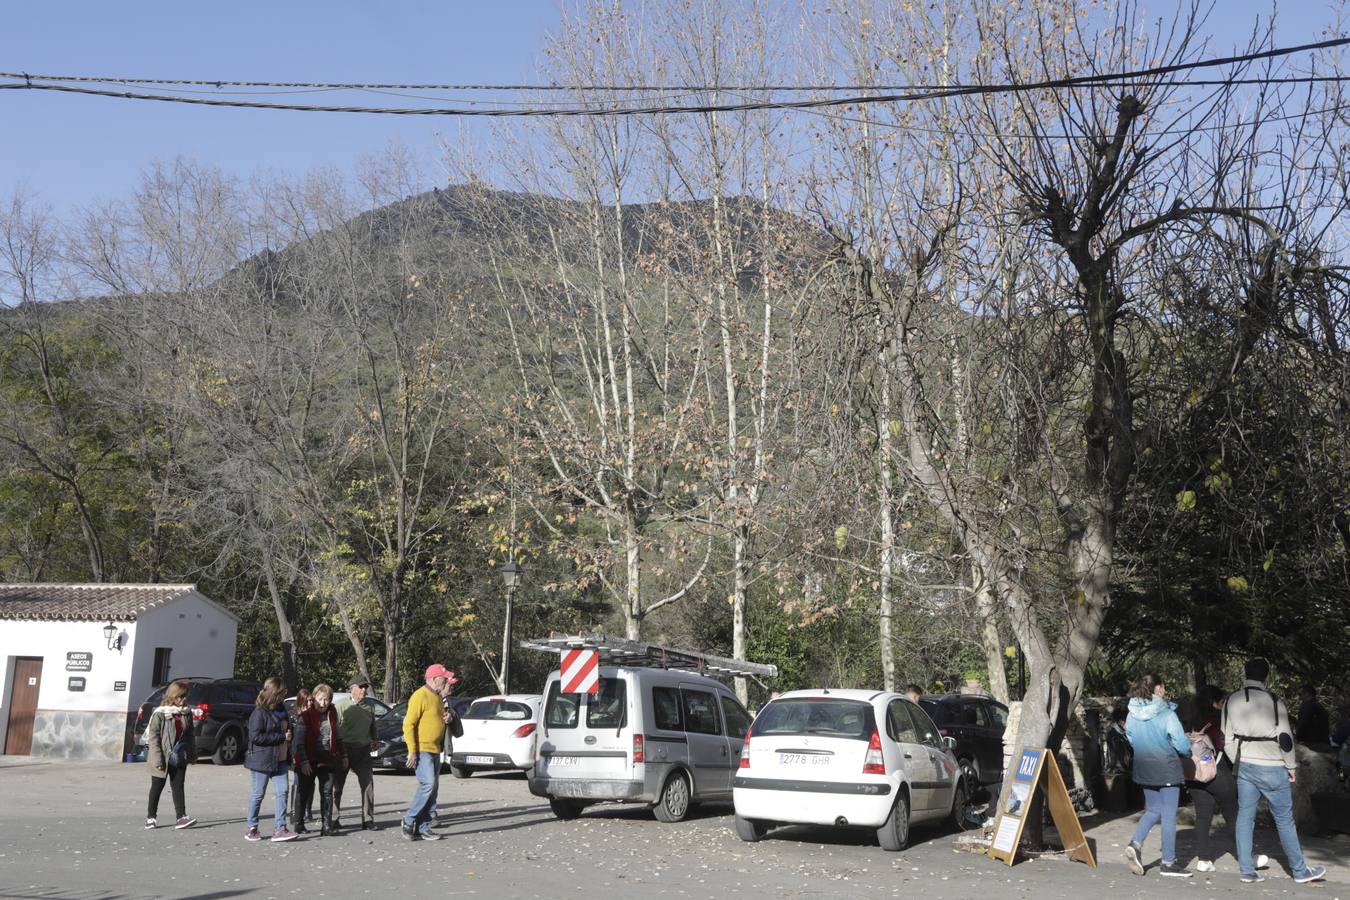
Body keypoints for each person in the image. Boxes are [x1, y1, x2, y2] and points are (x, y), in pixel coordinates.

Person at [1223, 659, 1326, 884]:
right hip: (1272, 765)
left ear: (1245, 674)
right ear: (1266, 677)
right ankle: (1299, 871)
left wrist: (1237, 760)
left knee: (1245, 817)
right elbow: (1286, 739)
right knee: (1284, 819)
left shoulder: (1231, 699)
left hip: (1245, 765)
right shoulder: (1274, 700)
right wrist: (1290, 766)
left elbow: (1227, 739)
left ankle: (1247, 871)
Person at [1186, 685, 1268, 873]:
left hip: (1195, 774)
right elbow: (1226, 745)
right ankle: (1247, 858)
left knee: (1203, 816)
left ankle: (1203, 859)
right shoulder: (1217, 720)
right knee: (1234, 816)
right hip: (1217, 773)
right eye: (1223, 701)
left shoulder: (1191, 721)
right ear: (1215, 703)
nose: (1225, 705)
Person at [1122, 674, 1191, 878]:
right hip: (1166, 767)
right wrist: (1187, 751)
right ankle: (1168, 863)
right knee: (1169, 815)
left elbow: (1131, 739)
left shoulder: (1131, 713)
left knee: (1154, 810)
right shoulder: (1167, 713)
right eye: (1163, 687)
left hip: (1143, 768)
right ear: (1158, 688)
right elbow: (1181, 743)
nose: (1164, 691)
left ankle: (1135, 843)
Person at [244, 677, 299, 842]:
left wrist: (289, 736)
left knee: (283, 792)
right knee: (258, 794)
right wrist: (281, 737)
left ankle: (280, 828)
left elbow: (287, 732)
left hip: (281, 760)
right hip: (262, 760)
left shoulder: (282, 710)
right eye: (282, 693)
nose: (283, 696)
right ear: (274, 693)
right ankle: (252, 827)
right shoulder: (259, 712)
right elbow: (255, 737)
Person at [403, 663, 453, 841]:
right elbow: (408, 724)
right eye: (444, 678)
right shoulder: (419, 696)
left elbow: (435, 720)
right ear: (433, 679)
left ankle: (423, 827)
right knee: (428, 785)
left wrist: (448, 718)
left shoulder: (438, 697)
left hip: (435, 749)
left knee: (432, 790)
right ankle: (408, 820)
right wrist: (412, 751)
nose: (446, 680)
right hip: (422, 749)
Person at [294, 683, 349, 837]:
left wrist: (343, 755)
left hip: (327, 758)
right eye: (320, 699)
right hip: (309, 758)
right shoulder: (305, 717)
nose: (323, 703)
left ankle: (326, 825)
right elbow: (299, 742)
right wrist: (304, 762)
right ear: (314, 698)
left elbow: (337, 736)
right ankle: (299, 823)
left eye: (326, 699)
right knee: (303, 791)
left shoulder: (332, 713)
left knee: (327, 792)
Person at [143, 680, 197, 830]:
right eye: (180, 696)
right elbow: (153, 737)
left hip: (179, 755)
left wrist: (192, 754)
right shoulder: (160, 713)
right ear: (173, 696)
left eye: (185, 696)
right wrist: (158, 759)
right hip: (161, 755)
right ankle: (151, 818)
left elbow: (190, 734)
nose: (183, 699)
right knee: (157, 786)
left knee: (178, 786)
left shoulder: (186, 712)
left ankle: (181, 817)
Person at [333, 678, 379, 831]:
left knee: (368, 785)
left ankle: (368, 820)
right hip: (344, 750)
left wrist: (375, 739)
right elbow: (333, 729)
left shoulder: (370, 706)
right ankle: (333, 819)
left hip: (363, 750)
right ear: (352, 688)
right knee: (337, 786)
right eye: (361, 687)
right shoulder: (340, 706)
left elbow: (373, 725)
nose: (364, 690)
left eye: (365, 687)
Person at [288, 688, 314, 831]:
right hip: (296, 752)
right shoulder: (294, 715)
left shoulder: (312, 714)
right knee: (298, 781)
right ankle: (294, 812)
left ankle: (307, 810)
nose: (311, 702)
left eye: (311, 700)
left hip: (310, 752)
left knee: (310, 782)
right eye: (308, 700)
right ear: (302, 701)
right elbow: (290, 736)